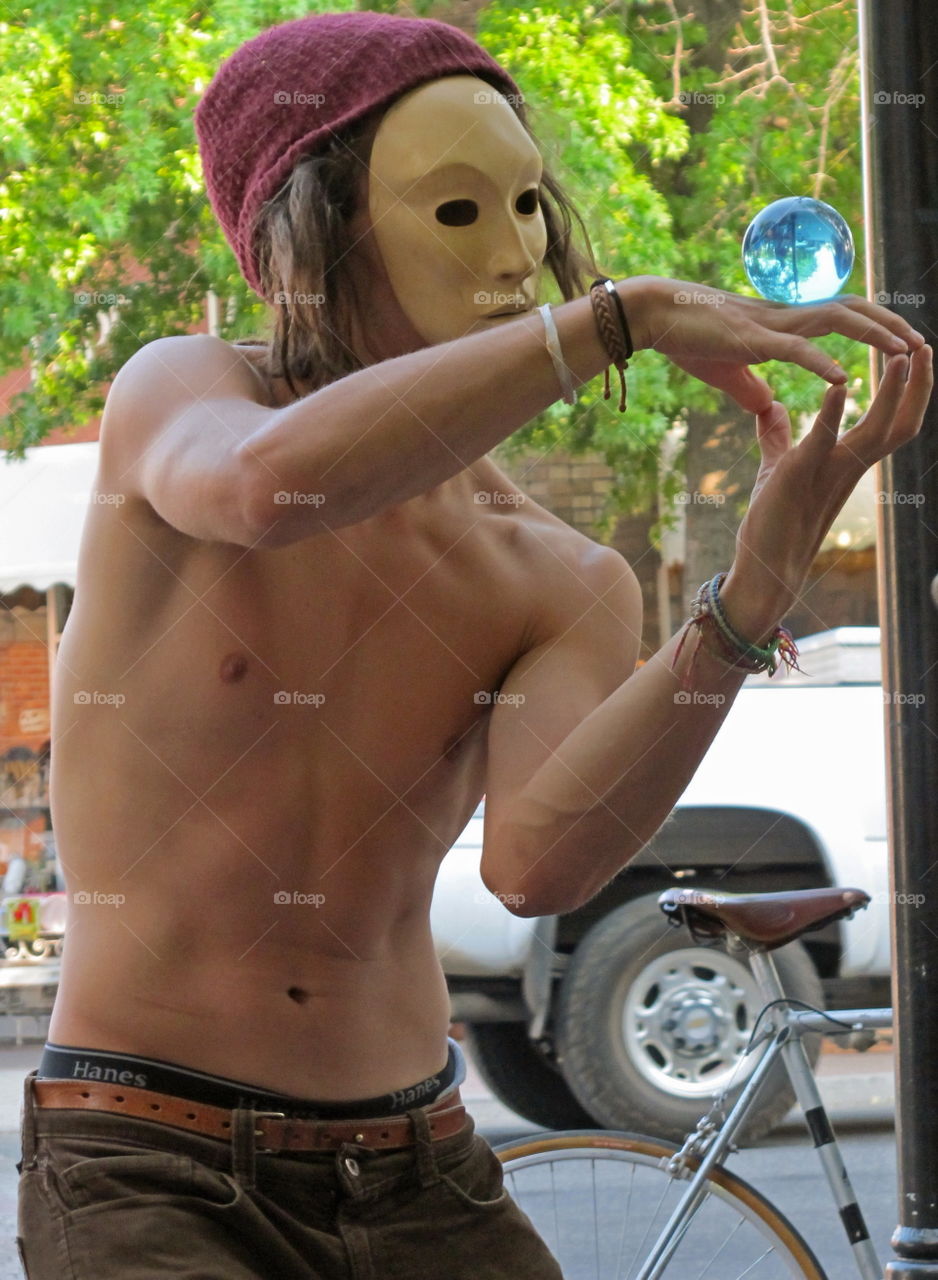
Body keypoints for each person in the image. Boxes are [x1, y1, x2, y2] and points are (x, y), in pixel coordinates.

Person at [16, 10, 931, 1280]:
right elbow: (266, 491)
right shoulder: (185, 393)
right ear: (307, 228)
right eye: (453, 210)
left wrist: (746, 602)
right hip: (147, 1151)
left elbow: (541, 865)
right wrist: (617, 321)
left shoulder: (558, 573)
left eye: (526, 206)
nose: (514, 253)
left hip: (419, 1161)